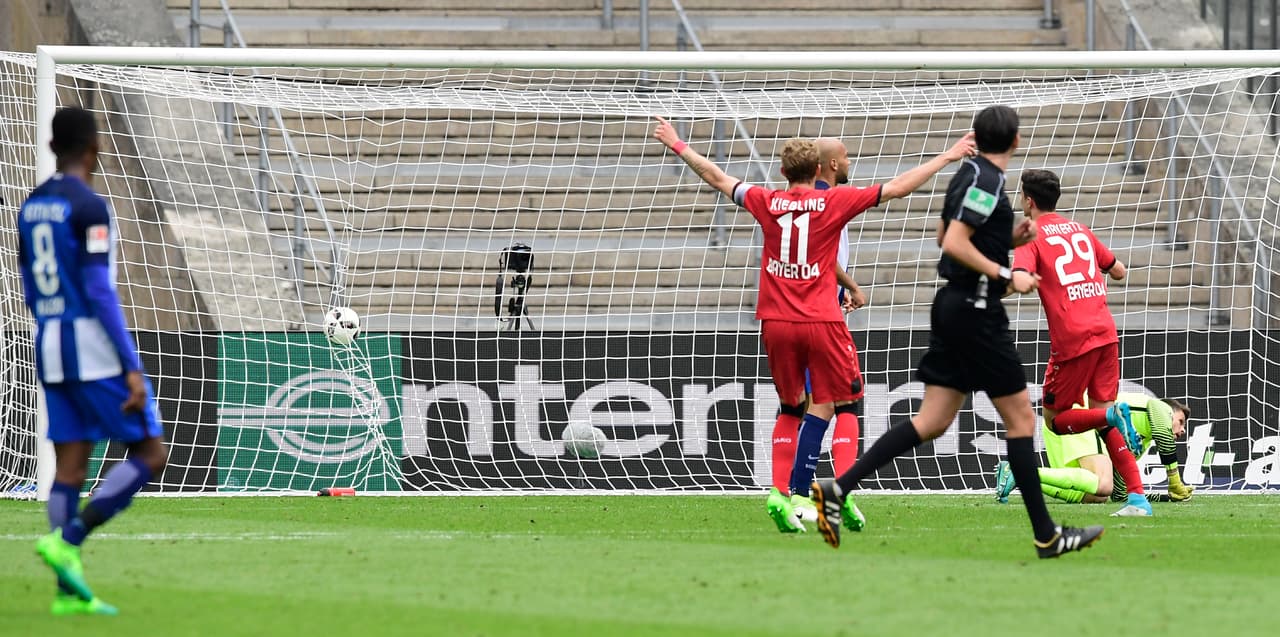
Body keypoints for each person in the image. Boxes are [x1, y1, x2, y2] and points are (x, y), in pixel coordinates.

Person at [651, 116, 975, 533]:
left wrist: (677, 143)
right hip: (821, 319)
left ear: (784, 172)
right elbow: (896, 187)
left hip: (775, 320)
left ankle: (779, 494)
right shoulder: (834, 202)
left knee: (791, 407)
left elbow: (715, 175)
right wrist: (947, 155)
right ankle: (842, 492)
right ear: (820, 170)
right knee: (847, 403)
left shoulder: (766, 201)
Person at [811, 105, 1104, 559]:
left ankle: (837, 489)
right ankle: (1047, 535)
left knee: (932, 421)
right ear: (1016, 141)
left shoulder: (968, 174)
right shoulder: (987, 181)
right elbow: (952, 243)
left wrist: (1008, 240)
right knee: (1023, 421)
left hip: (953, 305)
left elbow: (945, 232)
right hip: (977, 309)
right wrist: (1009, 271)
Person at [21, 106, 168, 616]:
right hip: (90, 346)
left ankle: (67, 594)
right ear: (94, 148)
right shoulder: (88, 206)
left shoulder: (32, 205)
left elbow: (29, 288)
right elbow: (99, 289)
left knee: (70, 465)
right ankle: (71, 540)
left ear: (51, 147)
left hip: (50, 343)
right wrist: (129, 364)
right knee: (151, 452)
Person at [994, 168, 1152, 517]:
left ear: (1028, 200)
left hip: (1073, 341)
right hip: (1106, 333)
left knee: (1054, 419)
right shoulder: (1080, 229)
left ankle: (1111, 415)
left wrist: (993, 291)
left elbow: (1019, 278)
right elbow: (1120, 270)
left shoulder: (1031, 235)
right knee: (1102, 418)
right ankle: (1138, 499)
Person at [785, 137, 865, 523]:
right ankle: (810, 492)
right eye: (846, 155)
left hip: (806, 311)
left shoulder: (807, 200)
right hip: (819, 316)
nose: (850, 160)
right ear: (831, 163)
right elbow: (822, 256)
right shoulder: (826, 201)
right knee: (835, 403)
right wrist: (848, 287)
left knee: (822, 403)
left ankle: (804, 492)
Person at [998, 393, 1194, 504]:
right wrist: (1175, 483)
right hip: (1081, 414)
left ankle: (1019, 475)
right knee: (1103, 483)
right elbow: (1163, 434)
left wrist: (1165, 497)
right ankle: (1019, 471)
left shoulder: (1140, 443)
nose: (1182, 430)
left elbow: (1121, 493)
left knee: (1096, 495)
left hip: (1063, 422)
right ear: (1171, 411)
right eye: (1181, 421)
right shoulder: (1160, 408)